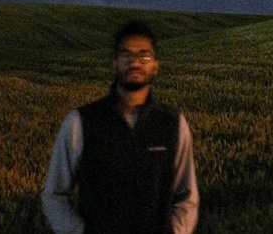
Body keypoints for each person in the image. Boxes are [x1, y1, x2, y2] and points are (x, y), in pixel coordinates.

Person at [42, 19, 199, 234]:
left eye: (144, 55)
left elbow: (187, 197)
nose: (135, 63)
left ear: (155, 65)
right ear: (114, 63)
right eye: (126, 55)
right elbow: (55, 194)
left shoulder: (173, 124)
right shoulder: (80, 122)